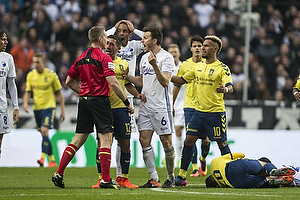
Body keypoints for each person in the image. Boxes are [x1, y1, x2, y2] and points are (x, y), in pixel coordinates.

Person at [51, 26, 134, 189]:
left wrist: (83, 92)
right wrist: (126, 102)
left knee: (78, 139)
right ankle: (105, 180)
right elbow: (113, 83)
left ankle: (59, 173)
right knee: (106, 138)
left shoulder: (81, 57)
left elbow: (68, 81)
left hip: (84, 101)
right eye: (105, 36)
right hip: (100, 101)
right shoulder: (104, 58)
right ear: (100, 39)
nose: (106, 39)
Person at [171, 35, 233, 186]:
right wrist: (163, 74)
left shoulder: (222, 68)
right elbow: (180, 81)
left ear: (215, 49)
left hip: (216, 113)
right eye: (202, 45)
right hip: (198, 112)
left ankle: (233, 173)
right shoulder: (197, 67)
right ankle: (181, 176)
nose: (203, 48)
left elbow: (230, 86)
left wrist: (224, 88)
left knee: (222, 144)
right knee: (189, 140)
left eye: (206, 46)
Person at [124, 26, 175, 188]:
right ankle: (154, 179)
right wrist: (128, 77)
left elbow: (165, 82)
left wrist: (155, 66)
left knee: (166, 143)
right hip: (145, 106)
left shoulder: (166, 58)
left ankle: (170, 178)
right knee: (143, 140)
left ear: (154, 40)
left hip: (161, 107)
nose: (142, 40)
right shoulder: (144, 57)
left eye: (145, 38)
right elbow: (142, 80)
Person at [91, 34, 145, 189]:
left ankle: (124, 179)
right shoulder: (99, 61)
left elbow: (127, 84)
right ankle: (101, 178)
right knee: (101, 144)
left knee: (125, 144)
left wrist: (137, 95)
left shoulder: (123, 64)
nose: (108, 46)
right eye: (107, 43)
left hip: (121, 108)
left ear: (119, 48)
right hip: (103, 109)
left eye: (112, 44)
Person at [106, 20, 144, 180]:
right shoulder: (109, 47)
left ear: (129, 34)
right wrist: (114, 28)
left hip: (126, 94)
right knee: (107, 139)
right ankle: (110, 175)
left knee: (124, 140)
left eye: (124, 31)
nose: (121, 33)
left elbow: (148, 41)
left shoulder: (135, 45)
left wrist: (135, 29)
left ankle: (121, 175)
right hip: (110, 95)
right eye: (119, 31)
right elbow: (102, 38)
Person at [171, 36, 211, 177]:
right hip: (189, 106)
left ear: (203, 48)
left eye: (200, 46)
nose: (198, 48)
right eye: (195, 46)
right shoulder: (185, 66)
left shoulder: (209, 64)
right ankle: (194, 168)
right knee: (190, 137)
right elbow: (177, 86)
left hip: (205, 106)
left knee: (205, 140)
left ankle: (203, 159)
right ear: (191, 49)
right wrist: (172, 104)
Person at [23, 52, 65, 167]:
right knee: (44, 134)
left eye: (37, 62)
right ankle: (52, 160)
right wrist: (25, 103)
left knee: (44, 130)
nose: (35, 64)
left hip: (49, 107)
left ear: (43, 62)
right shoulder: (31, 75)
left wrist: (62, 110)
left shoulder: (51, 75)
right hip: (37, 108)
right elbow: (28, 92)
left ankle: (42, 158)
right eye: (34, 62)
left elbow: (59, 93)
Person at [205, 153, 296, 188]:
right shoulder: (214, 163)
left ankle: (271, 179)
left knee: (265, 180)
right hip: (235, 166)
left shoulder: (220, 185)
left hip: (236, 183)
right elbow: (241, 154)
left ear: (216, 185)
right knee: (263, 164)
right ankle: (272, 170)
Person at [0, 30, 20, 157]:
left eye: (6, 39)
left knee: (0, 140)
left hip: (1, 106)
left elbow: (11, 84)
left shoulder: (8, 58)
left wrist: (16, 107)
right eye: (3, 39)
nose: (6, 42)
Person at [167, 44, 184, 168]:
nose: (173, 54)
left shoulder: (184, 67)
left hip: (182, 103)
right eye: (171, 52)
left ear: (179, 53)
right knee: (168, 132)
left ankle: (179, 158)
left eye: (175, 51)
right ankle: (169, 157)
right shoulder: (165, 67)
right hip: (167, 103)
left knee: (178, 130)